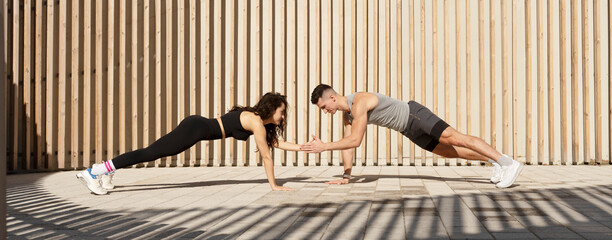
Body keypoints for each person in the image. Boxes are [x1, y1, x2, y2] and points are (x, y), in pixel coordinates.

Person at [301, 84, 523, 188]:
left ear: (331, 97)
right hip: (407, 129)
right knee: (448, 152)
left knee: (454, 138)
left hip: (414, 115)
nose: (324, 111)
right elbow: (347, 146)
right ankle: (495, 160)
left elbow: (355, 141)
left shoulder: (358, 102)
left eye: (323, 106)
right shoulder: (347, 115)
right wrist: (347, 176)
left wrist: (324, 147)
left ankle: (508, 162)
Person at [77, 92, 301, 195]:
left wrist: (301, 148)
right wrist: (274, 185)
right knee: (150, 153)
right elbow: (267, 156)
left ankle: (106, 172)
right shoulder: (256, 122)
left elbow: (276, 143)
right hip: (194, 129)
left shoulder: (258, 122)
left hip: (197, 125)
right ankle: (95, 171)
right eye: (281, 112)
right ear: (272, 109)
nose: (282, 117)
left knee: (150, 152)